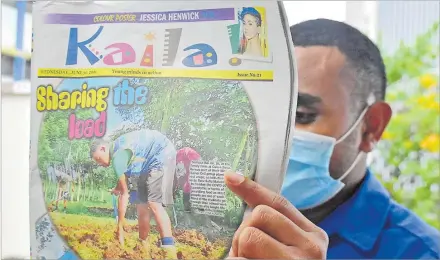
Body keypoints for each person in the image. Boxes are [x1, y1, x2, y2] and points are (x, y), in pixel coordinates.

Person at [225, 19, 440, 259]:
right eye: (259, 113)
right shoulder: (208, 227)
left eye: (300, 115)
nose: (269, 136)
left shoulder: (421, 253)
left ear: (371, 127)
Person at [90, 129, 177, 258]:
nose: (100, 164)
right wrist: (117, 188)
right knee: (141, 205)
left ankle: (169, 251)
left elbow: (124, 194)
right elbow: (123, 181)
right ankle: (143, 246)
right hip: (145, 164)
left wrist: (119, 229)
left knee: (154, 203)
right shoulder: (118, 152)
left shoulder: (117, 157)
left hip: (161, 153)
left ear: (103, 148)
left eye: (98, 159)